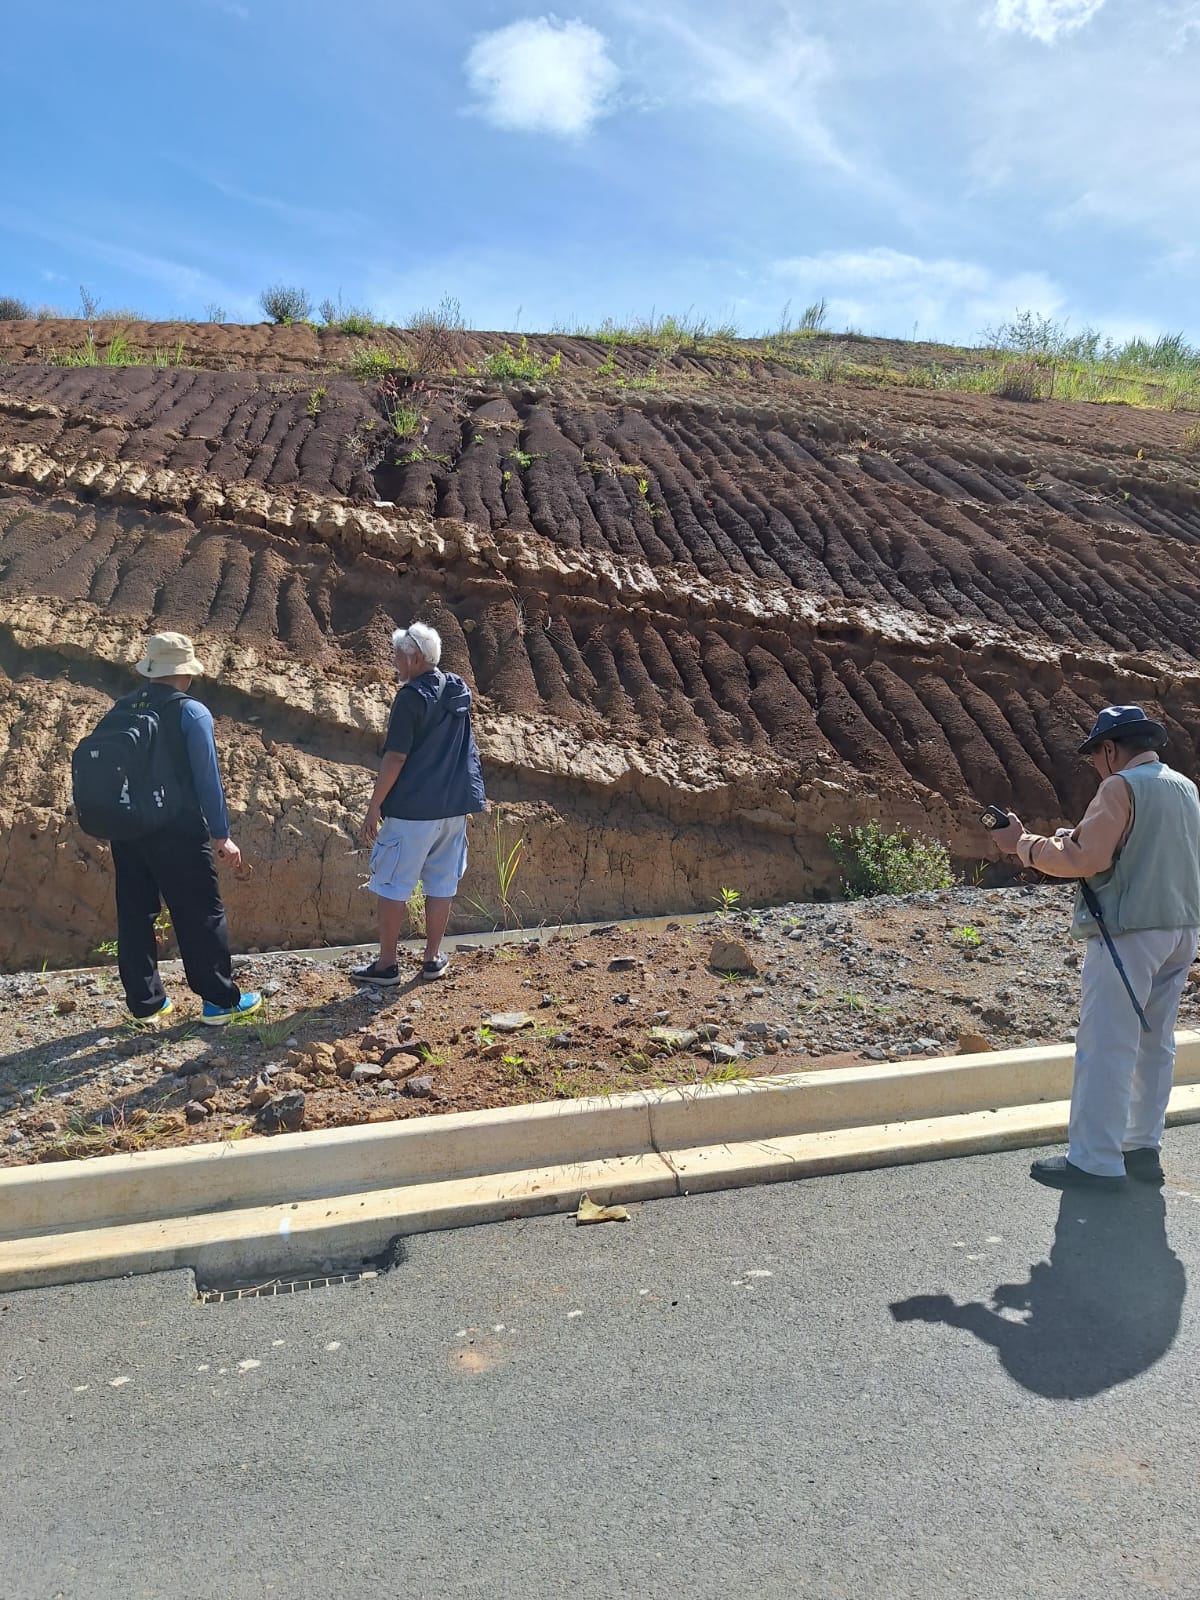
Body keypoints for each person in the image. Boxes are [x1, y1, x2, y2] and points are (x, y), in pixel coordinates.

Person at [993, 705, 1200, 1189]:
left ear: (1110, 749)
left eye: (1096, 757)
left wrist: (1022, 844)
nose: (1097, 766)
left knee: (1106, 1044)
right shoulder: (1185, 788)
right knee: (1156, 1043)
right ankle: (1142, 1148)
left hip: (1128, 932)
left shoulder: (1120, 786)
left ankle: (1094, 1161)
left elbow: (1085, 859)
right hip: (1181, 929)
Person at [107, 632, 261, 1027]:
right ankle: (219, 1002)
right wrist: (222, 834)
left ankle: (146, 1005)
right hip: (177, 830)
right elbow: (207, 780)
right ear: (186, 673)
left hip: (127, 828)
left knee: (135, 914)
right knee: (200, 913)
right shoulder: (191, 713)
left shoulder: (122, 708)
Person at [352, 622, 486, 985]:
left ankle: (387, 965)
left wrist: (374, 806)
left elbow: (395, 757)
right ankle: (432, 959)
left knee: (393, 884)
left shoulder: (411, 697)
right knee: (442, 883)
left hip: (413, 810)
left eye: (397, 656)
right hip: (453, 808)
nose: (395, 663)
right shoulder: (458, 689)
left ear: (413, 658)